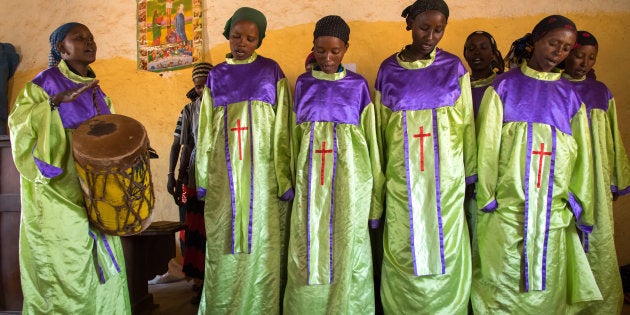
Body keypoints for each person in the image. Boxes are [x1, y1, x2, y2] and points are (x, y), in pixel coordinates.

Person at [472, 15, 603, 313]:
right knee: (503, 279)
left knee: (549, 282)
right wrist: (489, 195)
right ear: (535, 42)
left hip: (552, 206)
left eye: (566, 48)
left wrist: (577, 200)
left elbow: (581, 155)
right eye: (553, 43)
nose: (559, 52)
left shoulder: (570, 95)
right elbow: (489, 145)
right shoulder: (504, 86)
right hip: (508, 205)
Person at [8, 22, 131, 314]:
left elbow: (106, 136)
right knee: (67, 268)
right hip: (57, 197)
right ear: (62, 49)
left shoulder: (97, 90)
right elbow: (19, 126)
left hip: (95, 193)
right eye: (80, 38)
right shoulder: (43, 85)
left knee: (100, 267)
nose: (89, 42)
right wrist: (52, 104)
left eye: (91, 37)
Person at [374, 0, 477, 313]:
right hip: (402, 180)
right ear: (409, 25)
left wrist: (469, 172)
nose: (431, 35)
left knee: (445, 243)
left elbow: (467, 123)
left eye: (439, 29)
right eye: (424, 27)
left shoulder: (454, 67)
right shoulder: (388, 70)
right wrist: (381, 179)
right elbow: (379, 128)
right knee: (405, 242)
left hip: (445, 181)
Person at [194, 7, 293, 314]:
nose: (242, 43)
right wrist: (202, 178)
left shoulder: (271, 71)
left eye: (250, 38)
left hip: (263, 177)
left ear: (259, 41)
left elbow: (283, 129)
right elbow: (205, 131)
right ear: (228, 34)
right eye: (236, 36)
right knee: (225, 244)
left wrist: (284, 177)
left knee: (263, 244)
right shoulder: (217, 76)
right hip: (225, 177)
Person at [282, 15, 384, 314]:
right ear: (312, 47)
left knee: (348, 245)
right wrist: (291, 181)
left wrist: (374, 199)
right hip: (310, 182)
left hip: (350, 184)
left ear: (346, 49)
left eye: (335, 51)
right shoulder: (302, 84)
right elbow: (292, 137)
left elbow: (372, 145)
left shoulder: (358, 87)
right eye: (321, 50)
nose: (327, 57)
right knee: (307, 244)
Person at [563, 30, 630, 315]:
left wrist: (616, 179)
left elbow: (613, 138)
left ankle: (599, 304)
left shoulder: (601, 92)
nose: (584, 62)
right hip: (566, 176)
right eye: (579, 56)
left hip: (598, 179)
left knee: (599, 239)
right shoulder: (556, 90)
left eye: (591, 58)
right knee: (568, 238)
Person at [167, 61, 212, 305]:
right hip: (191, 178)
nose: (202, 91)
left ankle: (214, 280)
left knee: (213, 230)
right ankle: (199, 281)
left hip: (217, 176)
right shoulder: (189, 110)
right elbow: (182, 146)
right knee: (192, 228)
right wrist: (172, 176)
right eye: (198, 86)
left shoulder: (223, 108)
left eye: (207, 86)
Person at [463, 30, 504, 118]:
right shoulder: (460, 88)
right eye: (471, 48)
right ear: (465, 55)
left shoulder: (502, 86)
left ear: (493, 54)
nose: (477, 52)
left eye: (483, 47)